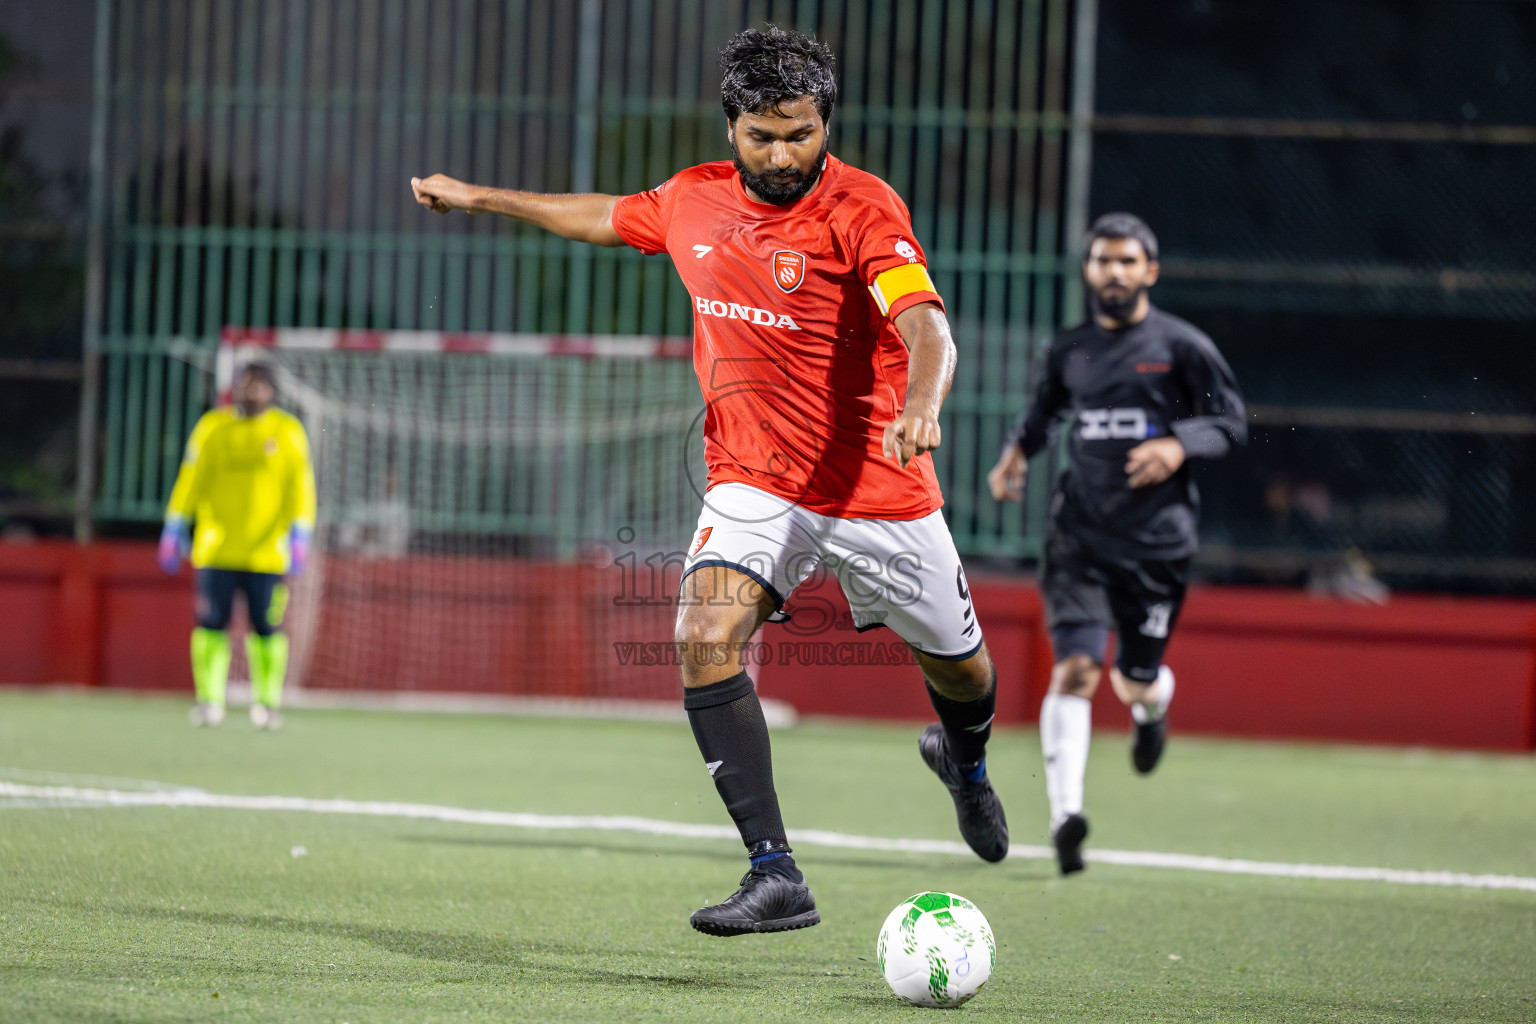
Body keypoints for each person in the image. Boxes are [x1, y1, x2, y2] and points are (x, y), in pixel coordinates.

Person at [412, 25, 1008, 935]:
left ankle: (964, 766)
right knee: (701, 633)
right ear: (731, 125)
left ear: (825, 123)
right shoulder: (693, 200)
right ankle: (776, 873)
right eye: (762, 134)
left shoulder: (864, 209)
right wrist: (478, 197)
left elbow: (929, 327)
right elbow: (602, 215)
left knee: (963, 673)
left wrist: (922, 401)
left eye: (799, 133)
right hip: (753, 483)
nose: (781, 153)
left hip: (878, 489)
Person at [988, 213, 1246, 876]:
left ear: (1150, 271)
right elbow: (1045, 411)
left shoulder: (1182, 346)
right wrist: (1018, 451)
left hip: (1156, 547)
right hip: (1079, 537)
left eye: (1128, 261)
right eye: (1103, 261)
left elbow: (1230, 423)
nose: (1115, 272)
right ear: (1088, 270)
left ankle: (1152, 705)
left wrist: (1176, 443)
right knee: (1075, 671)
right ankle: (1065, 816)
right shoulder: (1069, 348)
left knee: (1134, 681)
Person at [159, 362, 316, 730]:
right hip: (217, 549)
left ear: (272, 391)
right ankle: (210, 700)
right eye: (246, 385)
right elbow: (191, 479)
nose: (253, 392)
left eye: (260, 386)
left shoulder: (287, 431)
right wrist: (175, 522)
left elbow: (301, 487)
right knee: (212, 624)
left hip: (267, 553)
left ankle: (267, 703)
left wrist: (301, 532)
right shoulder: (214, 427)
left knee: (267, 627)